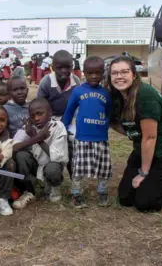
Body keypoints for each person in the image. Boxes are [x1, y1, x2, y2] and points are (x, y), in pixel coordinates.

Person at [106, 56, 162, 212]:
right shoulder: (116, 95)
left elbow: (150, 137)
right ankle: (158, 177)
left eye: (124, 72)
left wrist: (143, 173)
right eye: (114, 73)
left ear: (134, 75)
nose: (119, 76)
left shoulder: (145, 95)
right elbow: (121, 125)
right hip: (145, 148)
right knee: (125, 198)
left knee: (145, 203)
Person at [62, 56, 112, 208]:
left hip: (101, 137)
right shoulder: (78, 91)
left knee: (103, 167)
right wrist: (63, 128)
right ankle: (76, 194)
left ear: (103, 73)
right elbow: (69, 111)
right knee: (79, 167)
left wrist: (105, 125)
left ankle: (102, 192)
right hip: (82, 138)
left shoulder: (106, 93)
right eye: (90, 73)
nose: (94, 76)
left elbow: (109, 112)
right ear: (84, 73)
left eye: (98, 73)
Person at [12, 98, 68, 209]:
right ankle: (30, 191)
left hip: (52, 164)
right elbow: (13, 148)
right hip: (36, 165)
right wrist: (35, 137)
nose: (36, 118)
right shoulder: (28, 127)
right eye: (32, 115)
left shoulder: (57, 126)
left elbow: (56, 157)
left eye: (40, 114)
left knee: (52, 168)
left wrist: (38, 139)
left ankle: (54, 188)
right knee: (20, 156)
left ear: (50, 113)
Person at [37, 50, 81, 120]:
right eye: (59, 67)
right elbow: (40, 103)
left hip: (70, 116)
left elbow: (77, 103)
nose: (63, 70)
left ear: (72, 67)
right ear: (53, 67)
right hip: (51, 117)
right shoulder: (46, 82)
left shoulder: (76, 81)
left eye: (67, 67)